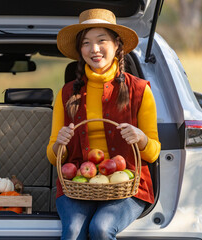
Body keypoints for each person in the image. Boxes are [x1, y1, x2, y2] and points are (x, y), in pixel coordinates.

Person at [46, 8, 161, 240]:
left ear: (117, 44)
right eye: (86, 43)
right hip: (78, 184)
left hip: (127, 185)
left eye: (101, 41)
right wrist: (60, 144)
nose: (94, 49)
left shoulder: (140, 90)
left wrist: (140, 139)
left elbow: (154, 152)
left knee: (101, 228)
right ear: (80, 50)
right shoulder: (66, 94)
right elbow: (52, 155)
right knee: (73, 231)